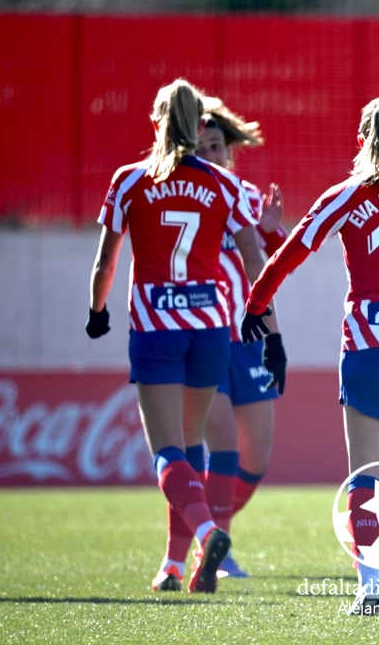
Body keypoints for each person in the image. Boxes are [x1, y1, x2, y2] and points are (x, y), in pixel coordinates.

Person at [240, 97, 379, 616]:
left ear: (361, 140)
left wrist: (256, 304)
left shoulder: (349, 194)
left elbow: (291, 250)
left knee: (366, 468)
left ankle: (369, 586)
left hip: (369, 343)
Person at [86, 79, 274, 594]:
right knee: (192, 446)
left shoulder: (129, 180)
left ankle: (208, 531)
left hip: (156, 329)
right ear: (198, 125)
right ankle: (173, 564)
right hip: (210, 330)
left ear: (156, 122)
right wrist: (265, 318)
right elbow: (254, 258)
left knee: (168, 451)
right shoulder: (224, 184)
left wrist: (97, 311)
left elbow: (105, 263)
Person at [152, 97, 287, 589]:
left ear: (231, 152)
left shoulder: (244, 194)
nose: (211, 154)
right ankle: (211, 548)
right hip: (205, 335)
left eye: (217, 147)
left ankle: (206, 532)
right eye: (202, 146)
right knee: (221, 443)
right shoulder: (182, 192)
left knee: (257, 458)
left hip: (248, 337)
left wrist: (269, 233)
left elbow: (272, 263)